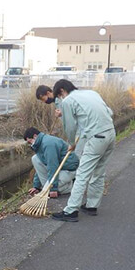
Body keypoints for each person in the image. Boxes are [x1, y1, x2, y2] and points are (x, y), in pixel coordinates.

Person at [49, 79, 116, 222]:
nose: (60, 99)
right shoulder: (92, 93)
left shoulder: (68, 101)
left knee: (82, 174)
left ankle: (71, 211)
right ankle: (92, 206)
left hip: (97, 137)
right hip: (111, 133)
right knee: (98, 172)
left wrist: (72, 143)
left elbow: (70, 127)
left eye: (59, 96)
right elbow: (109, 112)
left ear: (61, 91)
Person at [23, 127, 79, 197]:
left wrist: (53, 189)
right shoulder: (40, 144)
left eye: (29, 141)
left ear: (35, 136)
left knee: (50, 189)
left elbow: (52, 166)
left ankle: (71, 186)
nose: (30, 144)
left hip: (68, 169)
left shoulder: (48, 144)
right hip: (59, 168)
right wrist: (36, 186)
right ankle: (47, 187)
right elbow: (40, 166)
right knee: (35, 158)